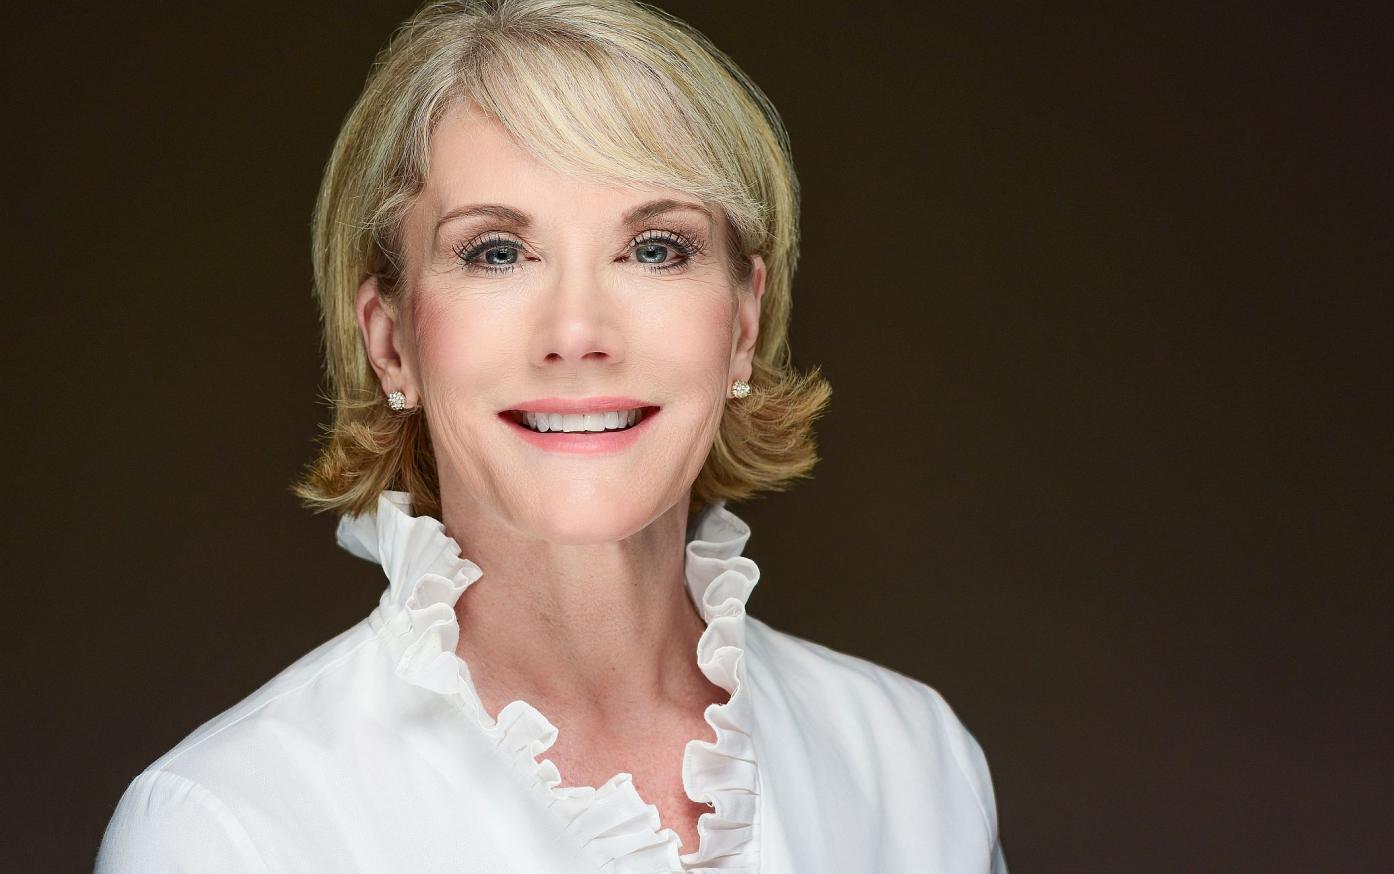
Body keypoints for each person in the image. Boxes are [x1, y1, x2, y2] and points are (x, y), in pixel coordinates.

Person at [95, 1, 1007, 871]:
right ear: (392, 343)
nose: (577, 332)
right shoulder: (223, 830)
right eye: (497, 252)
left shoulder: (914, 765)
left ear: (742, 324)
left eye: (655, 249)